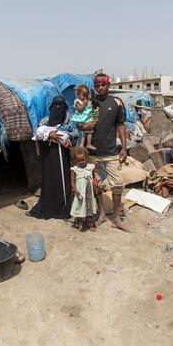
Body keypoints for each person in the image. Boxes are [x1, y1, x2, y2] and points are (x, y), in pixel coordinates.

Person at [80, 73, 130, 232]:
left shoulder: (116, 102)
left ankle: (116, 218)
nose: (101, 88)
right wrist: (83, 128)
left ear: (108, 85)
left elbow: (121, 125)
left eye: (103, 85)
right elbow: (83, 125)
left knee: (117, 185)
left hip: (111, 152)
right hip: (93, 152)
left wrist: (123, 148)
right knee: (96, 184)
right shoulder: (92, 104)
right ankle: (102, 213)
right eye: (98, 86)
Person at [29, 96, 73, 220]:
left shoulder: (68, 122)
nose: (58, 107)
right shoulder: (45, 121)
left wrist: (67, 140)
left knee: (62, 180)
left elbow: (74, 135)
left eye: (61, 105)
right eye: (56, 105)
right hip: (48, 155)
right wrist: (50, 135)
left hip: (62, 156)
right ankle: (48, 207)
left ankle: (62, 209)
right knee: (49, 180)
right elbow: (37, 134)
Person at [70, 146, 97, 232]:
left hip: (89, 191)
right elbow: (73, 182)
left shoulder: (91, 167)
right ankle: (79, 220)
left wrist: (96, 186)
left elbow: (94, 178)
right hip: (80, 192)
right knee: (80, 206)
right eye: (79, 160)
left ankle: (89, 221)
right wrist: (76, 191)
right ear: (75, 160)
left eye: (83, 160)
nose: (81, 162)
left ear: (87, 158)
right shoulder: (74, 169)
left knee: (89, 206)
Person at [71, 85, 95, 150]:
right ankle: (81, 145)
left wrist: (89, 104)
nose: (85, 97)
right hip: (81, 119)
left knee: (90, 131)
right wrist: (84, 103)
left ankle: (88, 144)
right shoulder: (77, 101)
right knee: (83, 133)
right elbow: (80, 109)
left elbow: (89, 109)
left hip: (87, 118)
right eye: (83, 95)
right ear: (78, 94)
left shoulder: (87, 100)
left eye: (86, 95)